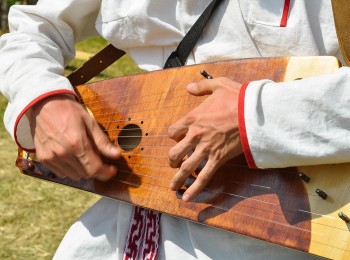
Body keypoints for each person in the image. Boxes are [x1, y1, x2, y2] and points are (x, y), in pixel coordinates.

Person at [1, 0, 349, 259]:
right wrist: (42, 100)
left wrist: (256, 115)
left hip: (289, 225)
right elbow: (34, 29)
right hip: (123, 226)